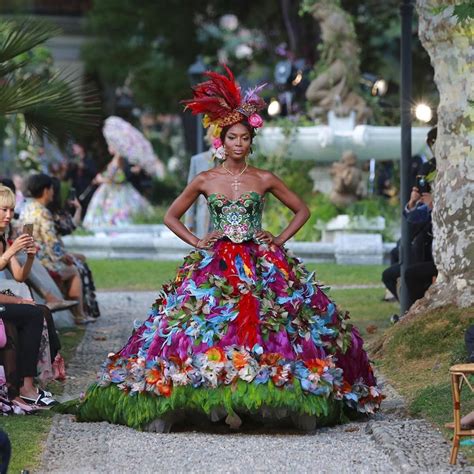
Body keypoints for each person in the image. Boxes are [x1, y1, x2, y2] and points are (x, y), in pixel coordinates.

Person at [76, 66, 382, 431]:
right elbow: (172, 216)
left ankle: (276, 396)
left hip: (261, 260)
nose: (238, 143)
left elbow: (302, 209)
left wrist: (279, 239)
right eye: (232, 138)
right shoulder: (205, 179)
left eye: (244, 138)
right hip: (216, 261)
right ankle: (204, 399)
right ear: (221, 142)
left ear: (251, 141)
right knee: (200, 323)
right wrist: (195, 241)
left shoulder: (263, 178)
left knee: (277, 323)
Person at [0, 185, 58, 410]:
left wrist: (30, 258)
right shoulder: (5, 246)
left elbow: (18, 276)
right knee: (33, 313)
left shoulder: (4, 241)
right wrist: (10, 252)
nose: (8, 215)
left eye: (11, 210)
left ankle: (28, 383)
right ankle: (25, 386)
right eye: (3, 210)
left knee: (39, 311)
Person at [20, 174, 95, 324]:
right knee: (74, 270)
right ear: (46, 190)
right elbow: (52, 243)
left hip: (34, 259)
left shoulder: (27, 208)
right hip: (44, 262)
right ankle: (79, 314)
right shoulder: (43, 212)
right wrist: (65, 257)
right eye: (52, 189)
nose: (54, 193)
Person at [48, 178, 100, 319]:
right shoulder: (47, 213)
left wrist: (78, 208)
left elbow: (69, 227)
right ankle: (79, 313)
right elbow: (67, 228)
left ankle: (83, 309)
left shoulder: (50, 212)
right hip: (51, 258)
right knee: (77, 266)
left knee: (80, 260)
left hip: (53, 255)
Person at [83, 150, 153, 228]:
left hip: (114, 190)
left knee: (113, 209)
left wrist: (100, 179)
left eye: (111, 145)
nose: (109, 147)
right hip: (113, 189)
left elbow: (117, 178)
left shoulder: (118, 159)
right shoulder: (118, 159)